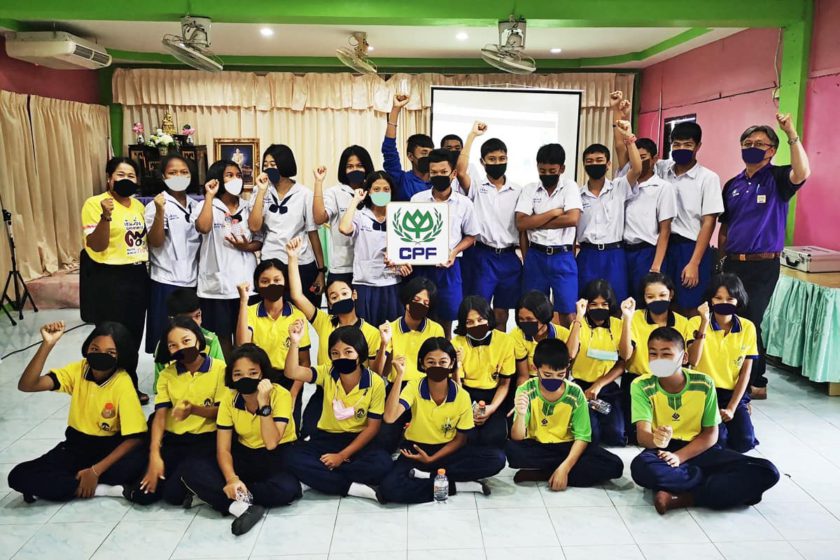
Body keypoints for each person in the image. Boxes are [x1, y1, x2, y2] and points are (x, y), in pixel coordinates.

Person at [629, 327, 779, 514]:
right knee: (642, 468)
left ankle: (683, 496)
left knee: (767, 471)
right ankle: (717, 488)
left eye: (666, 354)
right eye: (653, 354)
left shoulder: (704, 383)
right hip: (663, 452)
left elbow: (710, 434)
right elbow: (642, 435)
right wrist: (656, 440)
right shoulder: (641, 385)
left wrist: (679, 457)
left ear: (684, 357)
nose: (659, 359)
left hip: (699, 448)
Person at [719, 114, 811, 400]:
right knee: (729, 317)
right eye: (747, 143)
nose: (752, 147)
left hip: (763, 265)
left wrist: (791, 134)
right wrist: (720, 261)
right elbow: (726, 226)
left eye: (759, 143)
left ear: (771, 150)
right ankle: (733, 373)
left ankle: (756, 380)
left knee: (750, 319)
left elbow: (803, 172)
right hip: (733, 263)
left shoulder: (778, 178)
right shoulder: (732, 184)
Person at [8, 322, 147, 502]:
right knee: (18, 475)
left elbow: (135, 438)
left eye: (111, 352)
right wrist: (47, 344)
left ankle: (75, 484)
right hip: (75, 446)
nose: (101, 355)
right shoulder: (78, 370)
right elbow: (28, 385)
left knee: (137, 464)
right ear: (87, 348)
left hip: (108, 448)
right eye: (95, 349)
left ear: (121, 355)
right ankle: (95, 488)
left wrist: (95, 471)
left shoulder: (122, 382)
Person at [181, 344, 300, 535]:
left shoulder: (280, 395)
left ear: (263, 374)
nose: (245, 379)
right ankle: (240, 507)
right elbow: (223, 449)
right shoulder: (230, 399)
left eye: (253, 373)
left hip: (277, 455)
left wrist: (264, 403)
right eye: (238, 374)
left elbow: (271, 443)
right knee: (191, 469)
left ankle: (218, 497)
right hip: (245, 454)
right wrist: (231, 479)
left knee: (287, 489)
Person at [377, 337, 506, 503]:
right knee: (389, 488)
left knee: (497, 458)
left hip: (447, 450)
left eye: (443, 362)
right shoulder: (414, 387)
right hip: (415, 450)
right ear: (422, 364)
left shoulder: (462, 396)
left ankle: (427, 476)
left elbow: (460, 439)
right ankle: (455, 485)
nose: (437, 367)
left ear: (451, 364)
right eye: (431, 362)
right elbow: (389, 417)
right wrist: (400, 376)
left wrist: (432, 459)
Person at [286, 236, 382, 438]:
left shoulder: (372, 332)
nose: (340, 298)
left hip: (357, 392)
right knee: (308, 435)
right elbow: (297, 296)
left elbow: (376, 372)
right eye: (334, 297)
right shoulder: (324, 321)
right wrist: (292, 258)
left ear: (354, 295)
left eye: (344, 293)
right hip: (325, 389)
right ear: (329, 303)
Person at [124, 317, 226, 506]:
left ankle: (191, 487)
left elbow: (221, 413)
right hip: (174, 440)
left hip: (206, 440)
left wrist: (194, 410)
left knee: (173, 495)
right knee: (142, 494)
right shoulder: (166, 375)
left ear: (198, 340)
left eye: (186, 341)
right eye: (173, 345)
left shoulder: (220, 369)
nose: (181, 348)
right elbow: (160, 417)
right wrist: (155, 454)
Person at [284, 323, 392, 499]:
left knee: (382, 464)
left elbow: (372, 428)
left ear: (360, 353)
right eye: (335, 353)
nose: (341, 357)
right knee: (290, 456)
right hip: (326, 438)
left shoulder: (375, 382)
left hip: (359, 440)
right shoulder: (327, 373)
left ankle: (318, 478)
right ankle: (350, 487)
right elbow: (292, 372)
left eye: (348, 352)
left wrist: (341, 456)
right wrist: (295, 342)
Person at [506, 338, 624, 488]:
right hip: (539, 445)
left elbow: (582, 437)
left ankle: (546, 473)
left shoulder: (575, 393)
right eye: (547, 375)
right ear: (536, 369)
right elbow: (517, 437)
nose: (554, 379)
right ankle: (562, 472)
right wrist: (521, 414)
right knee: (513, 451)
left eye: (560, 374)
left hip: (567, 446)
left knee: (614, 465)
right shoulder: (526, 389)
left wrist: (565, 468)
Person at [80, 157, 150, 403]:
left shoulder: (138, 206)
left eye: (131, 176)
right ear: (109, 178)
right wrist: (106, 216)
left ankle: (129, 385)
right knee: (110, 336)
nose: (126, 180)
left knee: (133, 335)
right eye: (120, 175)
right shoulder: (95, 203)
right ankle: (105, 385)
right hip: (108, 277)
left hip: (137, 276)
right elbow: (96, 245)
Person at [455, 122, 525, 329]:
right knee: (478, 311)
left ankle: (499, 348)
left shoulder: (518, 190)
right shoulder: (477, 187)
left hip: (509, 257)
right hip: (482, 256)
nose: (497, 162)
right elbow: (460, 172)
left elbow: (523, 227)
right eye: (492, 159)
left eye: (502, 159)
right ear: (482, 162)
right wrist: (472, 136)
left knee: (502, 313)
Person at [193, 159, 263, 359]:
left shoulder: (248, 207)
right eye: (229, 175)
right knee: (221, 336)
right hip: (217, 287)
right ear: (217, 179)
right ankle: (226, 374)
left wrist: (246, 247)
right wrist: (209, 196)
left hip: (245, 283)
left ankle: (242, 371)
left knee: (245, 336)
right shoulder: (206, 205)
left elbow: (259, 238)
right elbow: (203, 227)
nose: (235, 179)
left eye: (239, 175)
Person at [410, 149, 479, 337]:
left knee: (447, 318)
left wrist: (454, 252)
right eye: (434, 172)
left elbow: (471, 236)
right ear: (429, 173)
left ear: (453, 174)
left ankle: (445, 351)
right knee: (419, 316)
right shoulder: (417, 200)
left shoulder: (464, 203)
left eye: (443, 172)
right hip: (422, 267)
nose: (438, 176)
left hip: (449, 267)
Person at [235, 259, 310, 431]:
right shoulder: (249, 312)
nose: (271, 285)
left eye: (277, 280)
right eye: (265, 281)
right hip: (258, 379)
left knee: (288, 432)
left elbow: (304, 362)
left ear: (285, 283)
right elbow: (242, 346)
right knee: (258, 430)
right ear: (257, 284)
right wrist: (243, 302)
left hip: (289, 380)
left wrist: (293, 394)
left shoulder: (297, 315)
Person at [687, 274, 759, 452]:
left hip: (731, 393)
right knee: (717, 441)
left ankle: (737, 415)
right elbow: (693, 360)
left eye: (730, 298)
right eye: (718, 298)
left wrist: (732, 408)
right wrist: (704, 323)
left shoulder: (748, 327)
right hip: (702, 391)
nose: (723, 302)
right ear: (710, 300)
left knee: (745, 442)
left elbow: (745, 373)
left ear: (738, 300)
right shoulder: (695, 322)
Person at [248, 144, 326, 308]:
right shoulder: (260, 190)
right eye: (266, 165)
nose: (268, 168)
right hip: (271, 263)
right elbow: (254, 226)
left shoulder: (304, 194)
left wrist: (321, 271)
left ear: (285, 164)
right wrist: (261, 191)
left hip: (301, 263)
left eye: (273, 164)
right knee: (273, 312)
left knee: (303, 311)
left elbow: (313, 234)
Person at [373, 277, 445, 452]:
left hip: (426, 388)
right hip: (398, 387)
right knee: (384, 440)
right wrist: (383, 343)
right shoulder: (390, 328)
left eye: (425, 303)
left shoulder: (436, 329)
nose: (420, 305)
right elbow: (377, 372)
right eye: (416, 300)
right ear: (406, 301)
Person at [515, 143, 583, 326]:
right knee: (533, 311)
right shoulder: (529, 189)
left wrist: (535, 222)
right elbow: (521, 223)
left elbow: (572, 219)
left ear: (562, 169)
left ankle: (569, 345)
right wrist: (553, 213)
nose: (546, 174)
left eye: (552, 170)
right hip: (536, 255)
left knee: (568, 312)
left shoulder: (570, 187)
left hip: (563, 256)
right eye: (542, 170)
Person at [659, 122, 723, 315]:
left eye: (688, 145)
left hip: (690, 248)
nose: (681, 149)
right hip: (662, 246)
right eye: (676, 144)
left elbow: (709, 223)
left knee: (690, 305)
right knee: (661, 302)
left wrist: (694, 262)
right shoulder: (662, 170)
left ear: (698, 146)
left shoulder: (708, 178)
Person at [576, 121, 642, 303]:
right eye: (589, 161)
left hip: (614, 254)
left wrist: (629, 138)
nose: (594, 164)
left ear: (608, 164)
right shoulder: (577, 195)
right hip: (587, 254)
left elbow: (637, 168)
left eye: (599, 160)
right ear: (584, 165)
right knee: (585, 302)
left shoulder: (618, 187)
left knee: (617, 302)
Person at [144, 154, 202, 357]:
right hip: (165, 280)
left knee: (191, 338)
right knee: (166, 339)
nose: (179, 176)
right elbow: (156, 241)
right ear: (163, 176)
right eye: (173, 172)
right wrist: (160, 212)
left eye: (184, 172)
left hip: (192, 280)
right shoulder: (156, 204)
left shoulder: (196, 205)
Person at [565, 280, 633, 446]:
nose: (599, 308)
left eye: (604, 304)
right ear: (587, 305)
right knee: (592, 437)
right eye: (594, 304)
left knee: (616, 436)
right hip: (581, 386)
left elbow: (625, 358)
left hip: (606, 386)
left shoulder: (618, 325)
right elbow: (569, 354)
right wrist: (578, 317)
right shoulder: (579, 324)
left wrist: (627, 319)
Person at [339, 171, 410, 327]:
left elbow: (409, 246)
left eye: (386, 189)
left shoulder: (399, 216)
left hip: (392, 282)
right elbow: (344, 228)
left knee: (391, 332)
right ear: (369, 191)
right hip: (365, 284)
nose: (381, 193)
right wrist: (355, 200)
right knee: (366, 332)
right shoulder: (360, 216)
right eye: (376, 189)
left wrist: (404, 264)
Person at [451, 296, 515, 448]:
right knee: (468, 437)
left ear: (488, 318)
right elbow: (457, 386)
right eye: (469, 322)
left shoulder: (505, 341)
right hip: (466, 395)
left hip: (494, 394)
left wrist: (491, 408)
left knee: (494, 437)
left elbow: (505, 383)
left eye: (480, 320)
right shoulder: (456, 343)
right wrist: (456, 366)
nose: (476, 325)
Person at [619, 138, 677, 296]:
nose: (638, 161)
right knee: (622, 299)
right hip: (622, 251)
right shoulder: (623, 184)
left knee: (645, 299)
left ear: (654, 159)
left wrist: (656, 266)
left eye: (643, 157)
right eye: (634, 158)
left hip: (647, 252)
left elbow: (665, 230)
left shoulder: (663, 187)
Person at [312, 146, 375, 287]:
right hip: (343, 267)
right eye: (350, 167)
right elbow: (319, 219)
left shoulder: (375, 191)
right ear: (343, 170)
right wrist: (318, 182)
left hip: (370, 267)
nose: (355, 170)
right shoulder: (335, 192)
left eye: (359, 166)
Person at [152, 287, 225, 393]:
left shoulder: (210, 341)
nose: (195, 323)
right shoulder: (165, 344)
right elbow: (159, 389)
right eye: (187, 320)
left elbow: (221, 378)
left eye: (198, 316)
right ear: (172, 320)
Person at [511, 290, 574, 388]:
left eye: (529, 319)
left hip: (555, 380)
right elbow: (523, 376)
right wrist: (522, 394)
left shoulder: (563, 335)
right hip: (530, 381)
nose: (525, 323)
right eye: (521, 319)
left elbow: (565, 370)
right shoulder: (516, 335)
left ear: (543, 317)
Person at [382, 93, 433, 200]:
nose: (428, 157)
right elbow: (389, 150)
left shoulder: (439, 182)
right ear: (410, 156)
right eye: (424, 153)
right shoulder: (401, 180)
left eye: (431, 153)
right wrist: (396, 109)